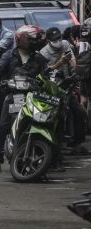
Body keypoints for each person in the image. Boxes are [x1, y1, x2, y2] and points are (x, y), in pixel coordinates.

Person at [0, 25, 48, 173]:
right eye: (30, 39)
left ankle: (52, 158)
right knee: (3, 128)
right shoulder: (9, 55)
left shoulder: (39, 58)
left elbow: (47, 74)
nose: (33, 41)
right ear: (22, 39)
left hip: (34, 97)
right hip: (14, 97)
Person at [41, 27, 87, 155]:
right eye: (55, 40)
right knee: (58, 117)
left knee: (79, 112)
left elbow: (72, 60)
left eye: (59, 38)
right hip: (53, 88)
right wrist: (60, 62)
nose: (58, 41)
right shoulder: (44, 53)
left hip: (67, 85)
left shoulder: (65, 44)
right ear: (49, 40)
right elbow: (45, 72)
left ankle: (77, 144)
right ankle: (56, 148)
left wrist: (74, 67)